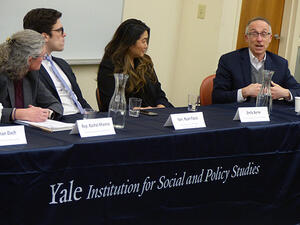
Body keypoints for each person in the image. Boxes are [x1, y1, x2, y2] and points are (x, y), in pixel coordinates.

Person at [212, 17, 300, 104]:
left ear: (270, 38)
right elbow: (217, 96)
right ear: (246, 38)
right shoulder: (229, 61)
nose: (259, 39)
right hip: (238, 114)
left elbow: (297, 91)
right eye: (254, 34)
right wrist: (244, 92)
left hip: (269, 115)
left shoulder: (280, 63)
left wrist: (286, 93)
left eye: (264, 34)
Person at [23, 8, 91, 115]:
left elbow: (80, 99)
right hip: (60, 120)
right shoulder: (29, 66)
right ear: (45, 36)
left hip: (81, 117)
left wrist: (94, 117)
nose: (64, 34)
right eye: (60, 30)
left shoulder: (62, 64)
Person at [97, 18, 173, 112]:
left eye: (147, 41)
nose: (146, 46)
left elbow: (159, 93)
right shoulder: (109, 66)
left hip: (153, 115)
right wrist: (140, 110)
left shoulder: (146, 62)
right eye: (143, 41)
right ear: (129, 42)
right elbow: (110, 103)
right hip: (129, 118)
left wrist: (161, 106)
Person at [0, 29, 63, 123]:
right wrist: (17, 113)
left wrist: (46, 113)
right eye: (42, 56)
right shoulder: (2, 73)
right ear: (30, 60)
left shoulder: (31, 74)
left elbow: (55, 104)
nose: (43, 60)